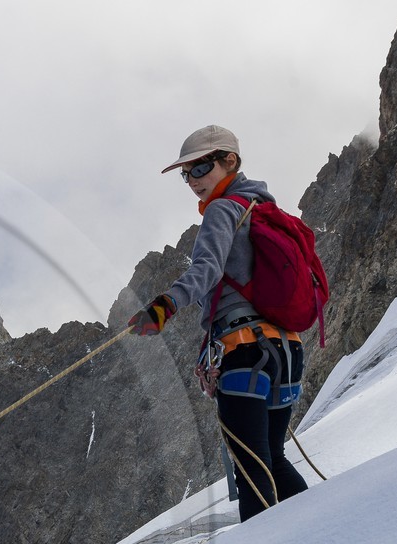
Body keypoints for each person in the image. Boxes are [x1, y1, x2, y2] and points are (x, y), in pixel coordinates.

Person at [127, 124, 310, 521]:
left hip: (244, 352)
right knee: (272, 460)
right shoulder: (264, 209)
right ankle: (319, 536)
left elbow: (207, 269)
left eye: (199, 169)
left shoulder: (222, 210)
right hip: (287, 351)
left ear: (230, 161)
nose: (192, 181)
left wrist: (163, 307)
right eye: (185, 174)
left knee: (252, 470)